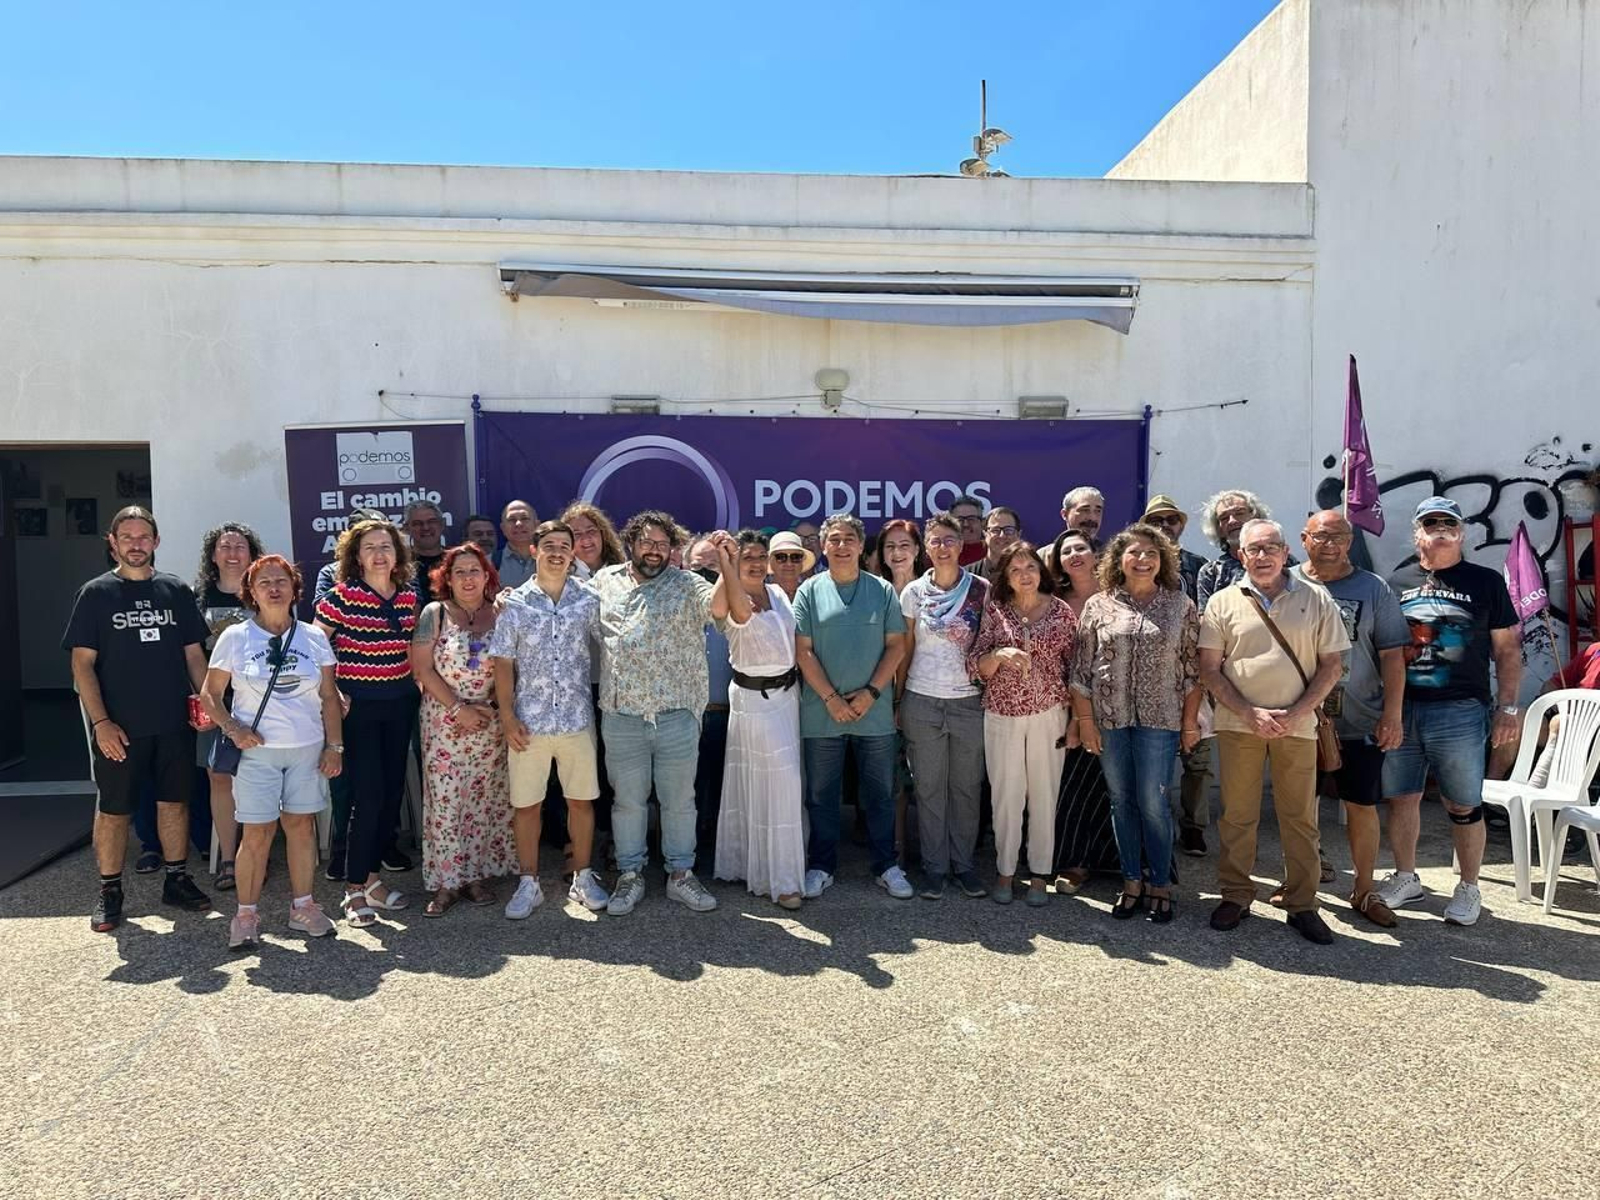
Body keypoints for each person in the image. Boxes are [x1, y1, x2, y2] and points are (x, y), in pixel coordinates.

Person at [1199, 519, 1349, 944]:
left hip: (1298, 727)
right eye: (1253, 549)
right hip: (1238, 724)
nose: (1262, 556)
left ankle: (1303, 904)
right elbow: (1209, 669)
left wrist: (1298, 711)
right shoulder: (1222, 603)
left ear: (1286, 552)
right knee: (1237, 815)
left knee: (1300, 818)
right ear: (1240, 556)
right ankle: (1236, 895)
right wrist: (1250, 713)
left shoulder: (1316, 598)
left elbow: (1332, 665)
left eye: (1270, 548)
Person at [64, 506, 212, 932]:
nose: (135, 544)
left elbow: (193, 655)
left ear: (156, 541)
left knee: (175, 802)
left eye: (143, 536)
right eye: (126, 536)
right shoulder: (95, 594)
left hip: (172, 722)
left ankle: (177, 880)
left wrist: (207, 705)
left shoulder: (175, 590)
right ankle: (109, 891)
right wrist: (101, 723)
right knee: (113, 810)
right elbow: (82, 666)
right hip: (119, 729)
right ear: (112, 542)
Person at [1376, 497, 1522, 927]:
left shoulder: (1486, 582)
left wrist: (1509, 707)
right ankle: (1406, 877)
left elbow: (1508, 650)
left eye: (1449, 523)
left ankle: (1469, 886)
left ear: (1461, 532)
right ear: (1417, 532)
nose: (1440, 528)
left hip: (1459, 710)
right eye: (1430, 522)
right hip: (1403, 708)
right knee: (1402, 799)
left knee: (1463, 804)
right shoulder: (1395, 581)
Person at [200, 555, 343, 948]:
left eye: (282, 581)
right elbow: (209, 696)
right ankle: (245, 915)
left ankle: (304, 908)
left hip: (306, 749)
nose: (274, 588)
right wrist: (233, 727)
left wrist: (334, 745)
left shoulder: (314, 637)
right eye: (265, 583)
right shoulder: (235, 638)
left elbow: (329, 697)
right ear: (252, 592)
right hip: (256, 752)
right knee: (257, 832)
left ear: (295, 589)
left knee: (300, 829)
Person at [1070, 524, 1201, 924]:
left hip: (1160, 723)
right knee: (1120, 801)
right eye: (1134, 553)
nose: (1142, 560)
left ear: (1162, 561)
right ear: (1118, 560)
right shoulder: (1099, 606)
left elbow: (1193, 672)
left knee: (1153, 803)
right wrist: (1086, 721)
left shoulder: (1180, 606)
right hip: (1111, 720)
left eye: (1151, 554)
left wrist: (1190, 723)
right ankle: (1131, 881)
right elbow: (1081, 671)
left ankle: (1159, 881)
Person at [591, 510, 720, 916]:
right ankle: (630, 876)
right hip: (621, 713)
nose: (655, 550)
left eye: (663, 544)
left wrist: (728, 563)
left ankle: (681, 875)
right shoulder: (603, 581)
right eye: (647, 542)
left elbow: (718, 608)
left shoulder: (687, 583)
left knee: (680, 800)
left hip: (676, 714)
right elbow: (563, 603)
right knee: (627, 802)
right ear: (631, 542)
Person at [1293, 511, 1408, 928]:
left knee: (1361, 805)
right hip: (1299, 718)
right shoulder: (1287, 583)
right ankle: (1300, 885)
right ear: (1304, 539)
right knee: (1300, 806)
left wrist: (1392, 715)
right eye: (1320, 536)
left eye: (1339, 536)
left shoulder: (1373, 588)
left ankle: (1363, 888)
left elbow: (1393, 655)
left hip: (1359, 718)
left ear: (1351, 539)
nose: (1330, 544)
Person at [491, 520, 610, 916]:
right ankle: (529, 882)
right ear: (534, 551)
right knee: (527, 806)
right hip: (530, 721)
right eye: (549, 545)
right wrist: (507, 715)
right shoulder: (515, 604)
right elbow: (503, 663)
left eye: (564, 545)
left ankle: (582, 874)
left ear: (573, 553)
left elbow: (613, 642)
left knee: (581, 802)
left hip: (577, 718)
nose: (557, 552)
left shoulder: (589, 599)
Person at [794, 514, 911, 899]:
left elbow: (896, 645)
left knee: (878, 793)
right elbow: (803, 650)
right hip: (822, 711)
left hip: (872, 711)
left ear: (862, 547)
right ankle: (821, 866)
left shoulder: (882, 590)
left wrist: (871, 693)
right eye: (834, 540)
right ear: (823, 547)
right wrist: (830, 696)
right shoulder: (809, 591)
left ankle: (886, 865)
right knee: (821, 796)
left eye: (849, 539)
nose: (841, 546)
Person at [315, 519, 419, 926]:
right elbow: (314, 646)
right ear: (355, 557)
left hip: (399, 706)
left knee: (391, 796)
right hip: (357, 710)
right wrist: (332, 690)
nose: (380, 554)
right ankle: (353, 890)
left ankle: (373, 881)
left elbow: (413, 649)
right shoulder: (340, 597)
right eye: (370, 547)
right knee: (368, 797)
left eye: (387, 547)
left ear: (398, 555)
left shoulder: (409, 598)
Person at [411, 544, 517, 917]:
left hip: (489, 721)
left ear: (487, 576)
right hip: (444, 720)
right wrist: (458, 708)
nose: (468, 578)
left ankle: (475, 876)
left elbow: (511, 666)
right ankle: (446, 881)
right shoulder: (434, 614)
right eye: (460, 572)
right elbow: (421, 668)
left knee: (483, 799)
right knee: (446, 800)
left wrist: (489, 708)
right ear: (447, 579)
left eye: (475, 570)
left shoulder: (501, 614)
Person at [968, 542, 1073, 907]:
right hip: (1002, 713)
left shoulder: (1060, 612)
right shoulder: (995, 610)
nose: (1024, 575)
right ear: (1006, 577)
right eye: (1015, 570)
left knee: (1044, 794)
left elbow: (1075, 669)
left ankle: (1040, 874)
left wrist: (1077, 718)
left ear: (1041, 571)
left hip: (1049, 714)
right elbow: (975, 665)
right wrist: (998, 654)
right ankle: (1005, 871)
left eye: (1030, 567)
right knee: (1005, 796)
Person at [710, 530, 806, 908]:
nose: (754, 562)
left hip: (787, 698)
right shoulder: (737, 595)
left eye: (759, 555)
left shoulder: (779, 593)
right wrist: (725, 560)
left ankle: (757, 866)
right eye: (746, 556)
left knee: (781, 786)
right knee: (777, 785)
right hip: (755, 700)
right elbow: (733, 612)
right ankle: (781, 881)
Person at [898, 513, 990, 900]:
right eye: (935, 541)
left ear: (961, 543)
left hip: (969, 701)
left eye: (949, 539)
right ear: (926, 547)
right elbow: (905, 651)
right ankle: (935, 868)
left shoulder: (982, 589)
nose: (943, 547)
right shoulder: (913, 593)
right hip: (922, 700)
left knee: (966, 788)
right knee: (930, 788)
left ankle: (964, 866)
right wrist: (899, 701)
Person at [1143, 494, 1216, 859]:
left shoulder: (1200, 567)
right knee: (1156, 758)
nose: (1164, 526)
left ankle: (1194, 827)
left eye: (1170, 519)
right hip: (1151, 679)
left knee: (1197, 759)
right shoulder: (1136, 568)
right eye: (1156, 520)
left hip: (1192, 675)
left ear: (1181, 525)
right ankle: (1160, 826)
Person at [193, 521, 263, 891]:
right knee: (219, 776)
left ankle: (256, 854)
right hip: (216, 701)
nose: (233, 553)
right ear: (213, 555)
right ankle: (228, 858)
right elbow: (189, 653)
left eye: (240, 546)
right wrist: (206, 699)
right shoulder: (198, 598)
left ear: (252, 554)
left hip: (262, 702)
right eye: (225, 546)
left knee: (260, 776)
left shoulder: (264, 593)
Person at [1049, 528, 1119, 893]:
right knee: (1072, 786)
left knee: (1112, 786)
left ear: (1096, 554)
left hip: (1112, 706)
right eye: (1066, 551)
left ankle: (1118, 863)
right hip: (1060, 707)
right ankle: (1074, 862)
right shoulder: (1054, 601)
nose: (1074, 555)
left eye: (1081, 548)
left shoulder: (1117, 599)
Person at [685, 533, 735, 864]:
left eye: (713, 567)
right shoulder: (673, 607)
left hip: (728, 714)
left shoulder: (740, 606)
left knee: (721, 791)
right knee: (684, 793)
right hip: (686, 716)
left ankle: (718, 855)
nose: (705, 574)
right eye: (697, 567)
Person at [1195, 489, 1274, 613]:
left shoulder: (1282, 561)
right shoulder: (1211, 573)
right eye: (1224, 518)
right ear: (1219, 529)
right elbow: (1206, 621)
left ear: (1256, 517)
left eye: (1239, 513)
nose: (1232, 521)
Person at [405, 500, 448, 606]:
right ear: (407, 528)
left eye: (431, 521)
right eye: (417, 524)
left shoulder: (455, 559)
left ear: (442, 524)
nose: (426, 527)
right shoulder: (400, 564)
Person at [873, 519, 930, 595]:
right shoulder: (874, 590)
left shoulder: (930, 588)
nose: (897, 552)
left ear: (917, 550)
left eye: (904, 545)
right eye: (890, 546)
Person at [971, 506, 1023, 580]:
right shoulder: (968, 575)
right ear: (985, 534)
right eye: (995, 530)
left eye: (1008, 530)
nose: (1002, 535)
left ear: (1018, 535)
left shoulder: (1029, 575)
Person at [496, 500, 538, 590]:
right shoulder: (489, 563)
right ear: (503, 528)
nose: (518, 524)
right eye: (511, 520)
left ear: (537, 525)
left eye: (525, 518)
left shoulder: (552, 560)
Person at [767, 530, 814, 601]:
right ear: (770, 561)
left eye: (796, 557)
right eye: (781, 557)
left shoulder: (812, 595)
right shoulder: (758, 597)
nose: (789, 563)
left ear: (802, 562)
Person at [948, 495, 988, 566]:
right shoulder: (941, 553)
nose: (966, 524)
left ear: (982, 523)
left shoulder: (993, 553)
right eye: (960, 520)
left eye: (971, 519)